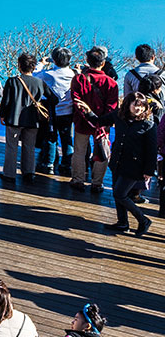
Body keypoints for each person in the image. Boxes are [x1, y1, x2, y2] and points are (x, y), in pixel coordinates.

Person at [75, 89, 156, 235]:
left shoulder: (148, 125)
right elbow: (99, 121)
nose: (138, 108)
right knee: (116, 192)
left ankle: (143, 220)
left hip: (135, 166)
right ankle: (122, 222)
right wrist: (88, 111)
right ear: (127, 104)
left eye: (142, 106)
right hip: (117, 162)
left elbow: (151, 150)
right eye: (135, 105)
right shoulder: (119, 116)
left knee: (120, 194)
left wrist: (149, 171)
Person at [70, 47, 119, 194]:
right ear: (103, 63)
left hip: (82, 120)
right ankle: (97, 183)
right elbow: (112, 108)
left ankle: (78, 180)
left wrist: (88, 116)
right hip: (103, 124)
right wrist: (101, 121)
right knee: (102, 151)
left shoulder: (79, 79)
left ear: (87, 61)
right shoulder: (111, 83)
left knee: (79, 151)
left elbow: (76, 100)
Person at [0, 53, 51, 183]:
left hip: (14, 118)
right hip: (33, 119)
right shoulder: (40, 83)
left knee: (11, 146)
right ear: (33, 67)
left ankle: (9, 174)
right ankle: (29, 172)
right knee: (29, 147)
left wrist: (2, 115)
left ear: (19, 66)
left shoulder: (12, 81)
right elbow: (53, 98)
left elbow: (6, 101)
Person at [36, 47, 78, 176]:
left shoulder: (48, 74)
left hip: (52, 111)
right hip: (68, 111)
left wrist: (41, 64)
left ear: (53, 60)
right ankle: (67, 164)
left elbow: (34, 75)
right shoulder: (73, 75)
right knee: (67, 139)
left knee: (51, 137)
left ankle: (49, 164)